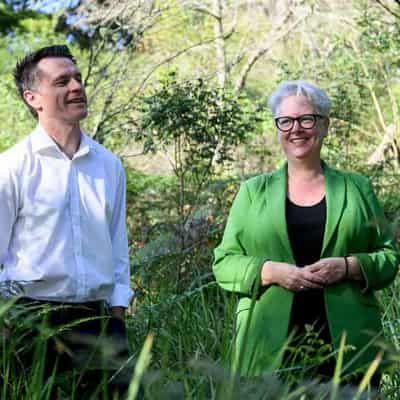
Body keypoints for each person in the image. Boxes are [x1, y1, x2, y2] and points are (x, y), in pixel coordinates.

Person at [213, 80, 399, 384]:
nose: (295, 128)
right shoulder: (252, 192)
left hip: (351, 350)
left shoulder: (357, 188)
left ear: (324, 125)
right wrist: (270, 271)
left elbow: (389, 258)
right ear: (277, 129)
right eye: (285, 121)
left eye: (306, 119)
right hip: (267, 351)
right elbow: (223, 262)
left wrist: (349, 267)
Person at [0, 45, 134, 394]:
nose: (76, 86)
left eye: (77, 78)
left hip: (100, 322)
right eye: (62, 81)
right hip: (30, 322)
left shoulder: (109, 165)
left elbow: (117, 244)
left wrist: (118, 311)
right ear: (34, 98)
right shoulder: (12, 167)